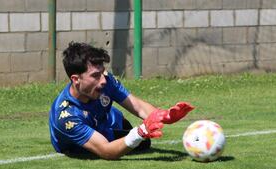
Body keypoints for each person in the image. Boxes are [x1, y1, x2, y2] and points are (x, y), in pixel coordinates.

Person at [49, 42, 194, 160]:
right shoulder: (67, 116)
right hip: (78, 144)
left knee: (140, 142)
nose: (104, 80)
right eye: (95, 75)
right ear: (76, 79)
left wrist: (165, 116)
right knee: (140, 143)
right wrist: (140, 132)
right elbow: (106, 151)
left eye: (103, 72)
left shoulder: (106, 81)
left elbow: (138, 107)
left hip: (106, 119)